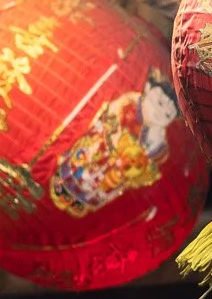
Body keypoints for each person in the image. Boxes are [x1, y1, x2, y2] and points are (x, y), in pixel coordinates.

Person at [49, 73, 180, 215]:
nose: (159, 113)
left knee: (98, 186)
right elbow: (109, 120)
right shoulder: (127, 104)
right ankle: (69, 185)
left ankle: (84, 197)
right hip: (94, 153)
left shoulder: (158, 141)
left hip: (113, 174)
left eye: (168, 115)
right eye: (159, 103)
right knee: (82, 170)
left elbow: (148, 167)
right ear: (147, 88)